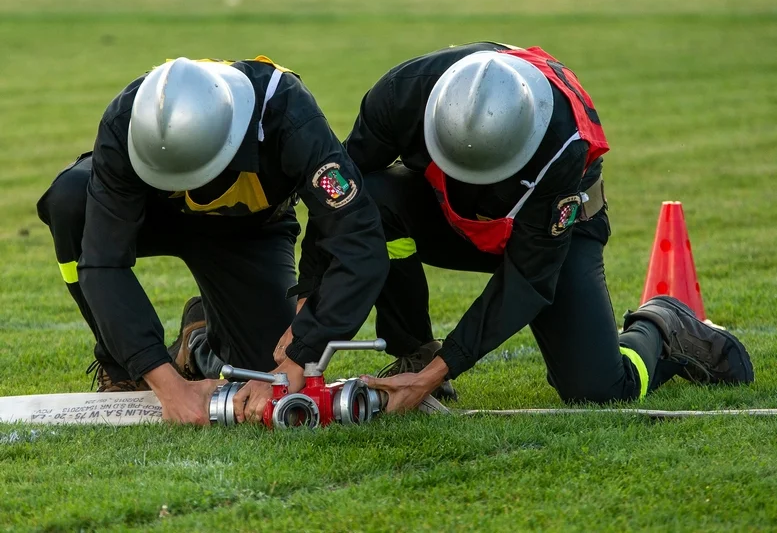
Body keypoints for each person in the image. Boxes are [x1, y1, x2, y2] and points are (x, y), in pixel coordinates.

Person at [292, 42, 754, 411]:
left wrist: (438, 372)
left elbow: (527, 279)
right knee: (369, 199)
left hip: (552, 234)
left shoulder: (564, 147)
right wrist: (303, 312)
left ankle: (662, 325)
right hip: (451, 218)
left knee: (598, 389)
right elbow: (338, 203)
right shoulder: (399, 96)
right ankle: (412, 347)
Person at [37, 56, 388, 424]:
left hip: (247, 230)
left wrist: (302, 352)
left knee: (266, 372)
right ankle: (120, 366)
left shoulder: (289, 115)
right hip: (153, 215)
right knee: (71, 200)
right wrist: (169, 388)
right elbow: (103, 262)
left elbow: (358, 241)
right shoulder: (128, 117)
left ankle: (199, 341)